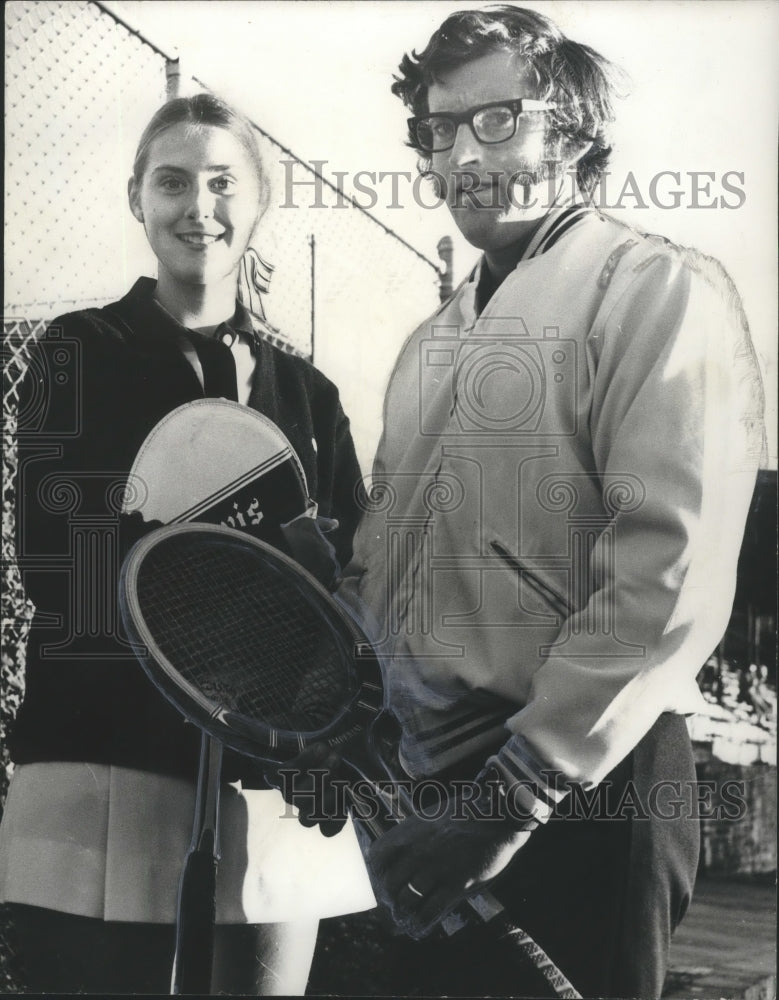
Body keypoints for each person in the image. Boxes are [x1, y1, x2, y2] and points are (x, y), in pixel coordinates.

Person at [335, 6, 765, 998]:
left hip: (584, 789)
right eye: (436, 132)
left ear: (570, 132)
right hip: (430, 796)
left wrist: (506, 798)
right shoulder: (423, 348)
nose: (457, 157)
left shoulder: (657, 289)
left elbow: (665, 574)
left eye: (492, 120)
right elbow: (384, 578)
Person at [0, 93, 374, 994]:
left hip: (269, 769)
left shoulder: (310, 396)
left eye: (221, 184)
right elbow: (62, 561)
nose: (196, 209)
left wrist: (310, 717)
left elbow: (347, 585)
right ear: (137, 197)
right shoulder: (76, 352)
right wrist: (217, 620)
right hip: (105, 755)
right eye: (171, 182)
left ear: (260, 202)